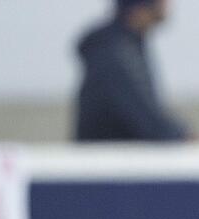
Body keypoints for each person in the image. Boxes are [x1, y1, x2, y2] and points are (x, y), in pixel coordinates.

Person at [74, 0, 190, 141]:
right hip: (107, 159)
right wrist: (185, 138)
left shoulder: (125, 45)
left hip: (116, 157)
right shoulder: (114, 53)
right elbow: (147, 120)